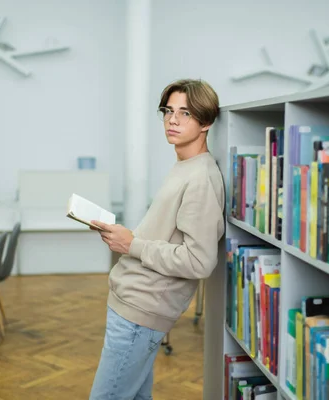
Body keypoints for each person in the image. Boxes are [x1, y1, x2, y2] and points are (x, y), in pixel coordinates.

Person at [88, 78, 225, 400]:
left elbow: (199, 260)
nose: (172, 120)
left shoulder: (201, 178)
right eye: (168, 111)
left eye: (186, 113)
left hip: (143, 309)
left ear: (206, 122)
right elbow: (166, 236)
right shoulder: (184, 166)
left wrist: (132, 244)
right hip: (132, 300)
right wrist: (126, 237)